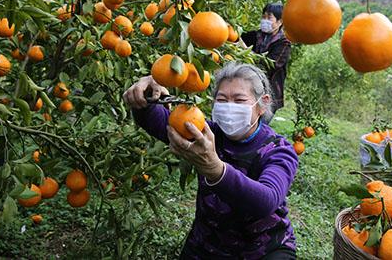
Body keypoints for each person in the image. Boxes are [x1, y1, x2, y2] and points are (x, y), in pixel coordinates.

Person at [123, 63, 299, 259]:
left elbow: (266, 200)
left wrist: (216, 170)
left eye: (239, 100)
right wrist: (145, 97)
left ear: (262, 104)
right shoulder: (209, 133)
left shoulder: (278, 150)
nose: (229, 107)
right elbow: (158, 122)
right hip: (208, 243)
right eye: (222, 100)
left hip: (263, 249)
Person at [241, 3, 291, 119]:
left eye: (269, 17)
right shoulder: (255, 36)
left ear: (280, 22)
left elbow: (271, 65)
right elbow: (235, 37)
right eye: (263, 17)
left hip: (270, 93)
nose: (265, 20)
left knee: (259, 126)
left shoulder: (283, 43)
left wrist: (246, 51)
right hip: (250, 90)